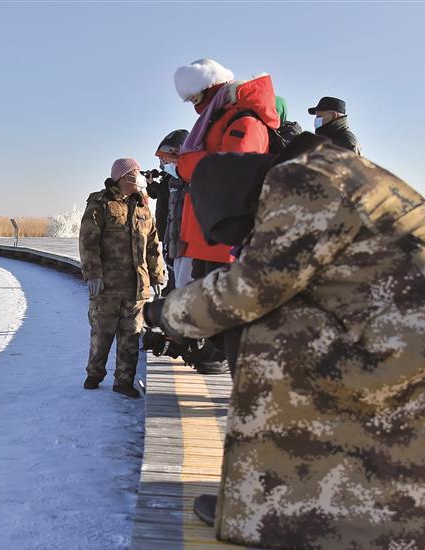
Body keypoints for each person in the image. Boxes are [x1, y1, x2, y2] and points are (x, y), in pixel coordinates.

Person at [144, 133, 425, 550]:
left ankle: (272, 510)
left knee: (271, 330)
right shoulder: (333, 167)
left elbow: (249, 288)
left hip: (414, 347)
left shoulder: (296, 182)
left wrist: (165, 314)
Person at [172, 58, 281, 374]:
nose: (195, 107)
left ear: (212, 88)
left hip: (226, 241)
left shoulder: (243, 120)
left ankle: (244, 398)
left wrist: (189, 162)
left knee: (233, 327)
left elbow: (235, 170)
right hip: (208, 238)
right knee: (220, 324)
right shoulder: (216, 119)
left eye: (196, 98)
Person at [79, 158, 165, 398]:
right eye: (136, 173)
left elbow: (153, 245)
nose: (140, 177)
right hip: (107, 285)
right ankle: (95, 374)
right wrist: (93, 274)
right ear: (122, 176)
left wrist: (157, 275)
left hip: (137, 286)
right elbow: (88, 242)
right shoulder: (101, 203)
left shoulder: (143, 206)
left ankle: (124, 381)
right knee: (102, 332)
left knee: (131, 334)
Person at [145, 129, 190, 292]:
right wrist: (151, 182)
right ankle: (171, 283)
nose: (164, 164)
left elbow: (162, 192)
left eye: (167, 159)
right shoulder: (172, 181)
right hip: (169, 228)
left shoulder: (192, 180)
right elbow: (154, 194)